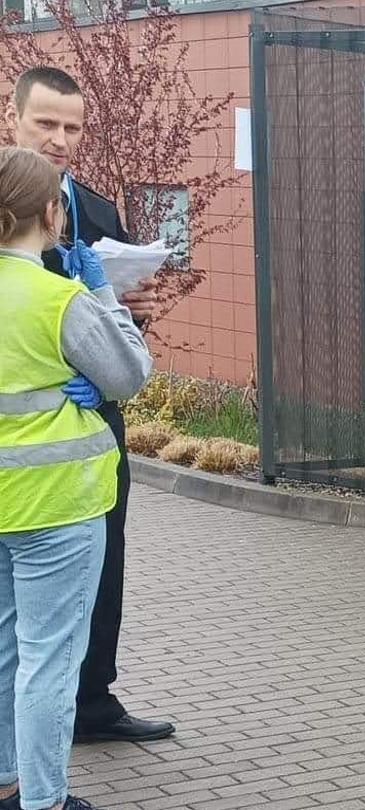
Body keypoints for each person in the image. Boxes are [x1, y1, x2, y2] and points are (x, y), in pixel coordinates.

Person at [11, 65, 173, 744]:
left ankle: (92, 702)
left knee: (105, 565)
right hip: (24, 441)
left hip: (96, 425)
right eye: (45, 123)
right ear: (14, 119)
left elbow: (115, 328)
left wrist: (131, 308)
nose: (59, 139)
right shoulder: (4, 208)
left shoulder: (99, 209)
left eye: (72, 127)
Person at [0, 145, 151, 810]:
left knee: (5, 652)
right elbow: (129, 375)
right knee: (50, 662)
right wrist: (101, 290)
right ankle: (46, 800)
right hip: (58, 506)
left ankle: (7, 782)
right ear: (49, 212)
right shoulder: (59, 298)